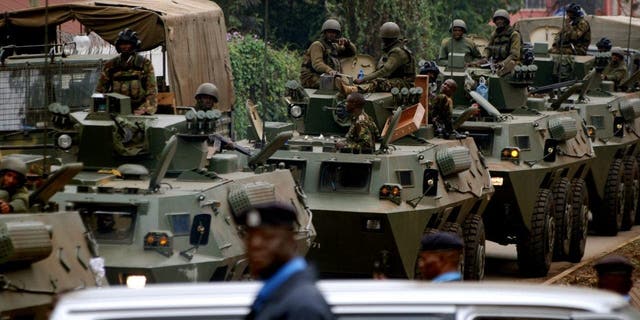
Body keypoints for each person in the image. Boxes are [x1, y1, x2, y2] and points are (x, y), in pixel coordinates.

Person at [233, 202, 335, 320]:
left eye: (267, 237)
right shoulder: (276, 295)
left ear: (291, 242)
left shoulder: (303, 307)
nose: (255, 245)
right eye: (250, 237)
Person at [96, 28, 158, 115]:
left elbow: (151, 91)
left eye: (127, 44)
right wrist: (98, 109)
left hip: (139, 109)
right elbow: (100, 90)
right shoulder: (111, 65)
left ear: (134, 45)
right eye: (122, 44)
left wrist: (146, 109)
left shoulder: (144, 64)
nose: (124, 47)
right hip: (116, 110)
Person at [352, 22, 415, 92]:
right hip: (395, 80)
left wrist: (364, 79)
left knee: (379, 83)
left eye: (384, 39)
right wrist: (366, 77)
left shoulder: (397, 52)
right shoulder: (394, 48)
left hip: (405, 84)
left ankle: (355, 90)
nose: (383, 41)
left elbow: (385, 71)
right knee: (374, 79)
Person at [300, 19, 357, 88]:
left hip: (326, 77)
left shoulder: (334, 46)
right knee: (339, 85)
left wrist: (347, 44)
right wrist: (329, 70)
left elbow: (351, 53)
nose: (332, 34)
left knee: (349, 84)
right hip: (311, 78)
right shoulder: (317, 45)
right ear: (325, 33)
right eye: (329, 32)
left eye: (334, 32)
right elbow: (317, 64)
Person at [473, 9, 521, 74]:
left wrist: (503, 63)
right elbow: (488, 48)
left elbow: (514, 55)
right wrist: (485, 57)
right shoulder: (494, 34)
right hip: (495, 63)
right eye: (497, 20)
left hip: (509, 63)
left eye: (501, 19)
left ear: (506, 21)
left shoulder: (514, 34)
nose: (499, 21)